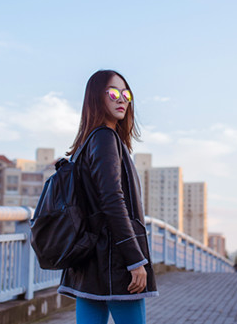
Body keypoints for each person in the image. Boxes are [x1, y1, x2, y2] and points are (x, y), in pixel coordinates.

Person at [58, 69, 158, 324]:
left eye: (126, 94)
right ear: (95, 97)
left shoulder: (87, 143)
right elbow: (113, 201)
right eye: (113, 92)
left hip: (89, 259)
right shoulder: (105, 138)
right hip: (114, 259)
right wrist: (135, 260)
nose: (121, 99)